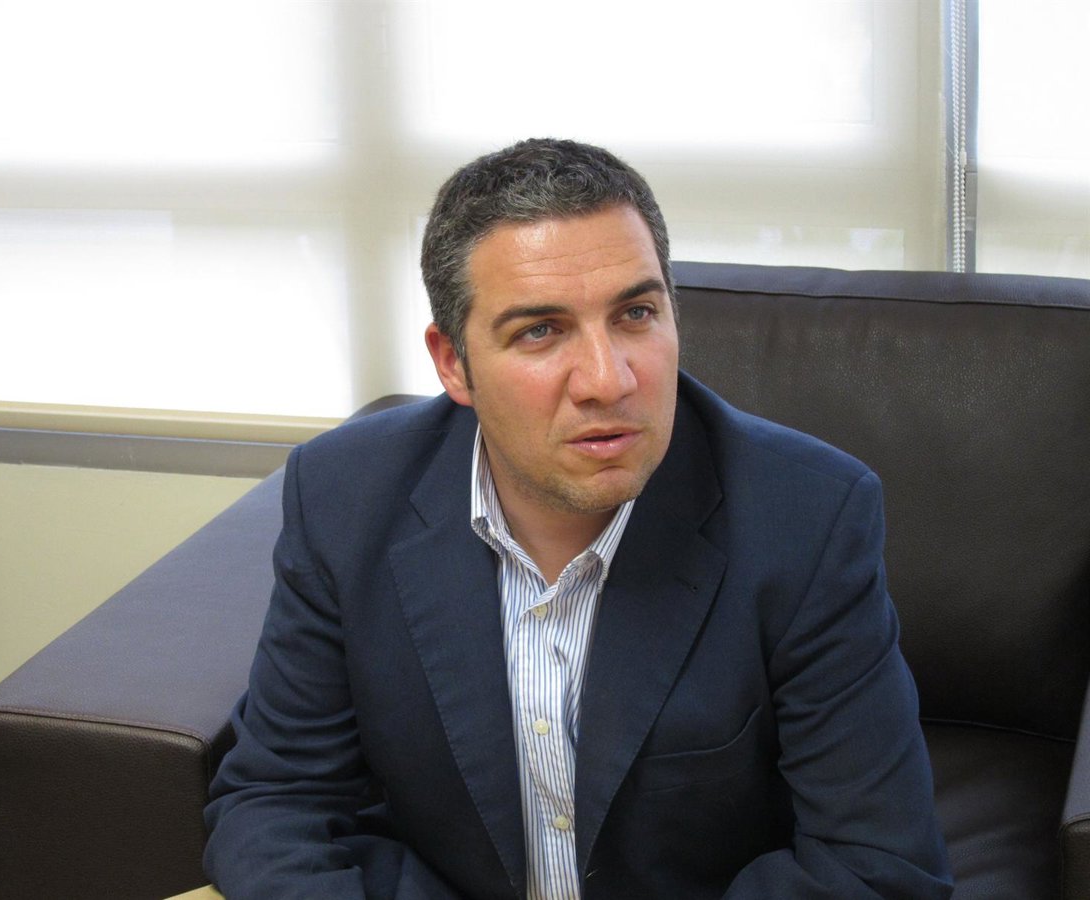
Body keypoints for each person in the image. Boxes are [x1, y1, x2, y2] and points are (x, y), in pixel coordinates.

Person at [203, 138, 952, 899]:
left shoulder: (808, 516)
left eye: (635, 314)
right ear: (453, 362)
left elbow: (876, 866)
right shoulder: (346, 497)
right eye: (540, 330)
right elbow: (276, 804)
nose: (608, 380)